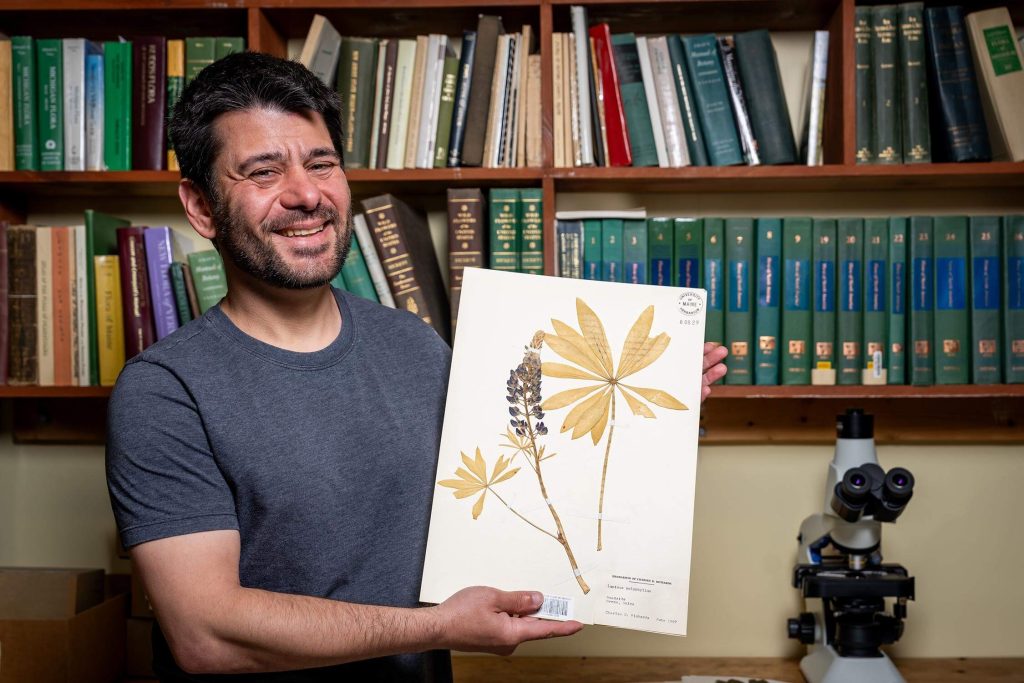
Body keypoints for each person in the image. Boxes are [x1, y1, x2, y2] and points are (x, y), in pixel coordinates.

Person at [106, 51, 729, 682]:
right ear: (202, 207)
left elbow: (525, 482)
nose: (306, 194)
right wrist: (438, 628)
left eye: (321, 164)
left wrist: (645, 413)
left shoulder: (416, 346)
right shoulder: (164, 393)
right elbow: (206, 637)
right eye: (263, 173)